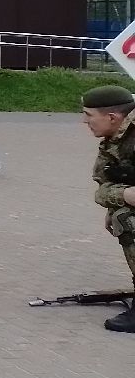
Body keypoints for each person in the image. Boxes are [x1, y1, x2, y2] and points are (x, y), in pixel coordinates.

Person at [80, 85, 135, 333]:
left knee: (128, 219)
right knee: (121, 213)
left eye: (89, 115)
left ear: (112, 117)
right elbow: (103, 186)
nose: (85, 121)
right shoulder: (117, 138)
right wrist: (122, 196)